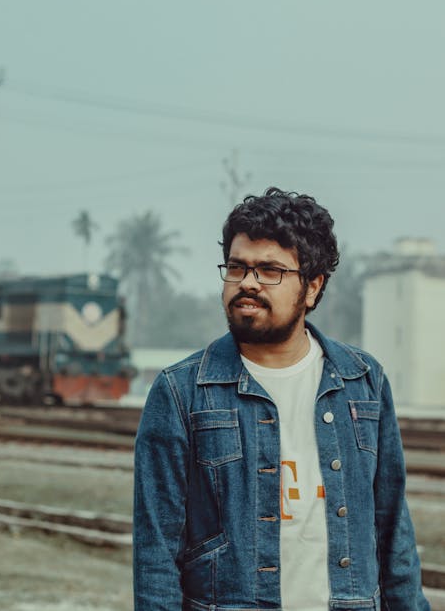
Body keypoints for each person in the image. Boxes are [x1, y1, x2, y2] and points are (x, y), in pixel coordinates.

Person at [134, 187, 430, 611]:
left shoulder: (363, 382)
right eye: (237, 268)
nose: (248, 283)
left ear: (312, 287)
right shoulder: (181, 391)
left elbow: (392, 533)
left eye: (270, 270)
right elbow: (155, 555)